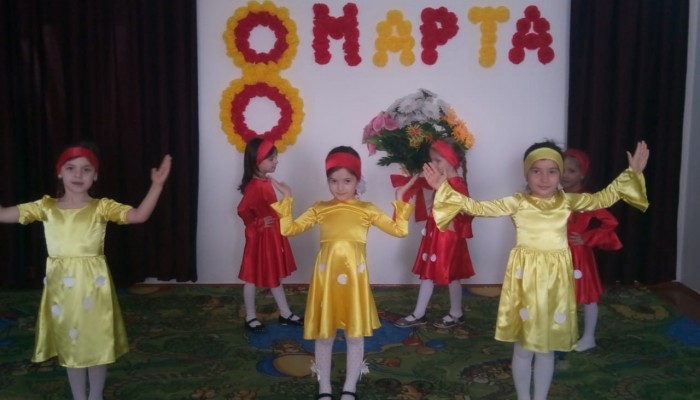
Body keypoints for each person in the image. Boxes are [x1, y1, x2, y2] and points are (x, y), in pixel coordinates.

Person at [423, 140, 649, 400]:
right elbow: (477, 208)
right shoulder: (517, 202)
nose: (544, 178)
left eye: (552, 171)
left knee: (546, 347)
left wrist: (633, 173)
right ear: (526, 173)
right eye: (536, 171)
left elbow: (604, 197)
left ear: (560, 174)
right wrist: (443, 188)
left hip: (555, 283)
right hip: (526, 281)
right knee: (523, 347)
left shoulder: (568, 201)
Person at [0, 143, 172, 400]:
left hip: (93, 287)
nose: (78, 175)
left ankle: (96, 395)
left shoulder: (101, 207)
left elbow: (138, 216)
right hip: (62, 291)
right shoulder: (46, 207)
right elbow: (4, 214)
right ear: (60, 173)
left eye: (86, 169)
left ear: (95, 176)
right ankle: (80, 397)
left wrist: (157, 185)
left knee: (96, 340)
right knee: (71, 343)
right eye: (71, 168)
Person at [270, 146, 416, 400]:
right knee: (325, 334)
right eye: (333, 181)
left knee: (354, 334)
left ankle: (350, 386)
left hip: (354, 282)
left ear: (358, 180)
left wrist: (400, 198)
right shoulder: (320, 208)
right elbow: (289, 229)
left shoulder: (367, 209)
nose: (339, 187)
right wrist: (287, 199)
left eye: (347, 181)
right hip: (326, 281)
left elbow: (399, 230)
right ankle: (324, 386)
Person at [394, 138, 475, 329]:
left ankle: (441, 313)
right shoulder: (444, 182)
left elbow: (466, 212)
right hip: (436, 235)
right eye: (432, 160)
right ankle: (436, 313)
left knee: (446, 275)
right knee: (433, 274)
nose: (433, 164)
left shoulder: (457, 185)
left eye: (438, 160)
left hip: (447, 239)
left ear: (452, 160)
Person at [237, 138, 303, 333]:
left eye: (275, 158)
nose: (276, 161)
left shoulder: (265, 181)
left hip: (271, 235)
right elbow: (242, 210)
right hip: (260, 238)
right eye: (271, 158)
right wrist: (259, 223)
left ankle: (285, 313)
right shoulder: (255, 186)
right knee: (251, 277)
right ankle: (250, 317)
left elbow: (272, 209)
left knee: (273, 275)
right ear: (257, 161)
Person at [561, 148, 623, 352]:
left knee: (587, 296)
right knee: (560, 294)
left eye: (571, 171)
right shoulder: (555, 196)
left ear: (582, 174)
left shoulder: (588, 199)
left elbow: (610, 222)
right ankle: (563, 332)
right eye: (562, 169)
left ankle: (588, 337)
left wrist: (587, 238)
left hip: (579, 255)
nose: (565, 175)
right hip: (558, 253)